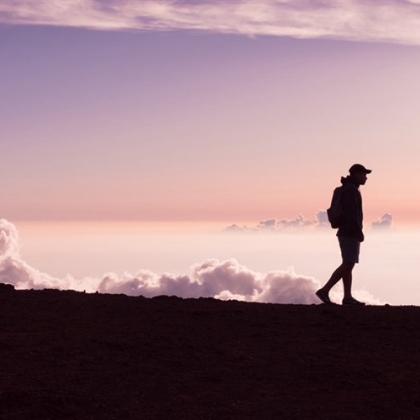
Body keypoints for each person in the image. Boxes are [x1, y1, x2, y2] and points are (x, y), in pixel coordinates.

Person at [316, 164, 372, 305]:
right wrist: (359, 232)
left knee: (348, 264)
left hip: (346, 231)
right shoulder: (351, 190)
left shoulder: (349, 189)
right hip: (349, 231)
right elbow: (351, 213)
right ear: (356, 174)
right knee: (348, 263)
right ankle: (325, 290)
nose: (366, 177)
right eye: (364, 174)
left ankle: (347, 297)